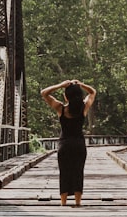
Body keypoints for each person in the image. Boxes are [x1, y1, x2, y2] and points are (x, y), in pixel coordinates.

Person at [41, 78, 97, 207]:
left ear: (66, 97)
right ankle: (78, 202)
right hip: (79, 144)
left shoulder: (61, 108)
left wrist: (61, 85)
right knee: (78, 172)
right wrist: (81, 84)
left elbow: (44, 93)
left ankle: (63, 203)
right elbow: (93, 92)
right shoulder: (84, 108)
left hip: (64, 144)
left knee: (64, 172)